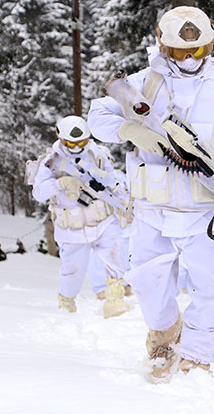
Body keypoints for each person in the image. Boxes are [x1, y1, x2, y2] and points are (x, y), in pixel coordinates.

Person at [87, 6, 214, 380]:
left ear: (209, 44)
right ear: (162, 46)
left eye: (196, 50)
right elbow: (97, 116)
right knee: (148, 288)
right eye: (179, 51)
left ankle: (197, 356)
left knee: (211, 289)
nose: (188, 58)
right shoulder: (143, 83)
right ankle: (164, 336)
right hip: (152, 210)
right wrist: (129, 131)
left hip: (207, 212)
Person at [31, 115, 131, 318]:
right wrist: (60, 184)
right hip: (71, 227)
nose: (76, 147)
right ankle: (66, 304)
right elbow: (38, 193)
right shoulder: (51, 161)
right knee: (72, 271)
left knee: (115, 255)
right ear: (60, 137)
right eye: (70, 143)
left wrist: (124, 203)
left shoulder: (99, 155)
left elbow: (113, 182)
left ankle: (114, 300)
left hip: (102, 220)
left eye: (81, 142)